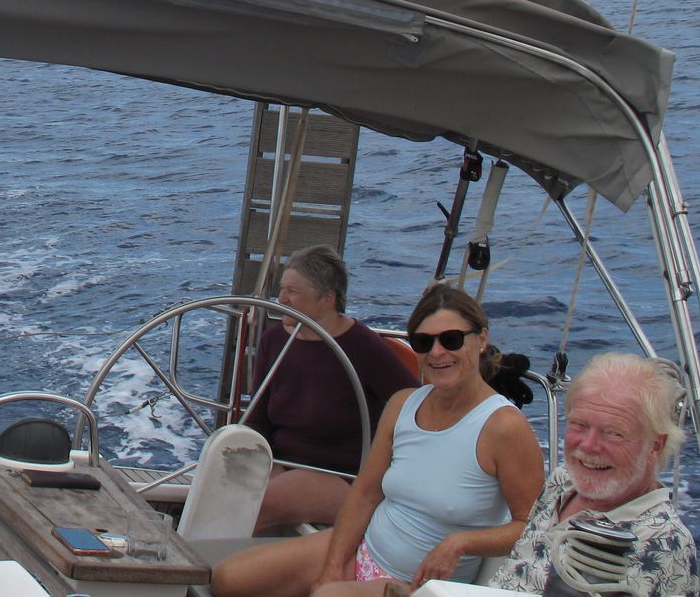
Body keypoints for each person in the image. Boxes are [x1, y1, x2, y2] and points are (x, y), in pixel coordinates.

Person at [213, 284, 546, 597]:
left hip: (417, 587)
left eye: (451, 339)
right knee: (227, 579)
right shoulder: (403, 404)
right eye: (423, 342)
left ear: (481, 339)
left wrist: (460, 543)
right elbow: (365, 492)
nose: (437, 352)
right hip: (366, 550)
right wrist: (333, 566)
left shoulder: (503, 426)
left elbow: (533, 527)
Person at [485, 353, 699, 596]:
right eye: (580, 425)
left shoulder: (663, 542)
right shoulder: (564, 479)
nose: (588, 445)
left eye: (614, 433)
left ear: (655, 446)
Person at [248, 245, 421, 533]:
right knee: (219, 488)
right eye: (282, 289)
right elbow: (257, 419)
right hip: (279, 463)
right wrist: (259, 463)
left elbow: (417, 406)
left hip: (341, 477)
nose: (281, 299)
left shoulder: (362, 346)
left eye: (292, 292)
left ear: (328, 298)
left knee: (252, 506)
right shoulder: (273, 340)